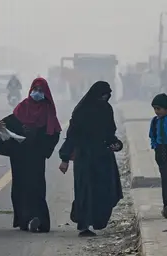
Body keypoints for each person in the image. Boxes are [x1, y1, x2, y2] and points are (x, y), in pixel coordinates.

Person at [58, 81, 123, 237]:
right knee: (85, 191)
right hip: (85, 157)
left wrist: (116, 144)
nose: (104, 98)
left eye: (106, 96)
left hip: (103, 156)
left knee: (105, 190)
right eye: (101, 95)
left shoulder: (107, 109)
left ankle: (98, 221)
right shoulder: (81, 111)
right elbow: (72, 135)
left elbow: (109, 133)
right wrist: (65, 158)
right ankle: (84, 225)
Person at [0, 77, 61, 232]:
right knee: (19, 186)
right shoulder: (22, 107)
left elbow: (54, 133)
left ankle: (39, 219)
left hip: (36, 156)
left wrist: (39, 141)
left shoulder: (48, 111)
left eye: (40, 91)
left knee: (36, 186)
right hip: (19, 155)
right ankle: (24, 220)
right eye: (35, 90)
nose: (37, 93)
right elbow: (7, 125)